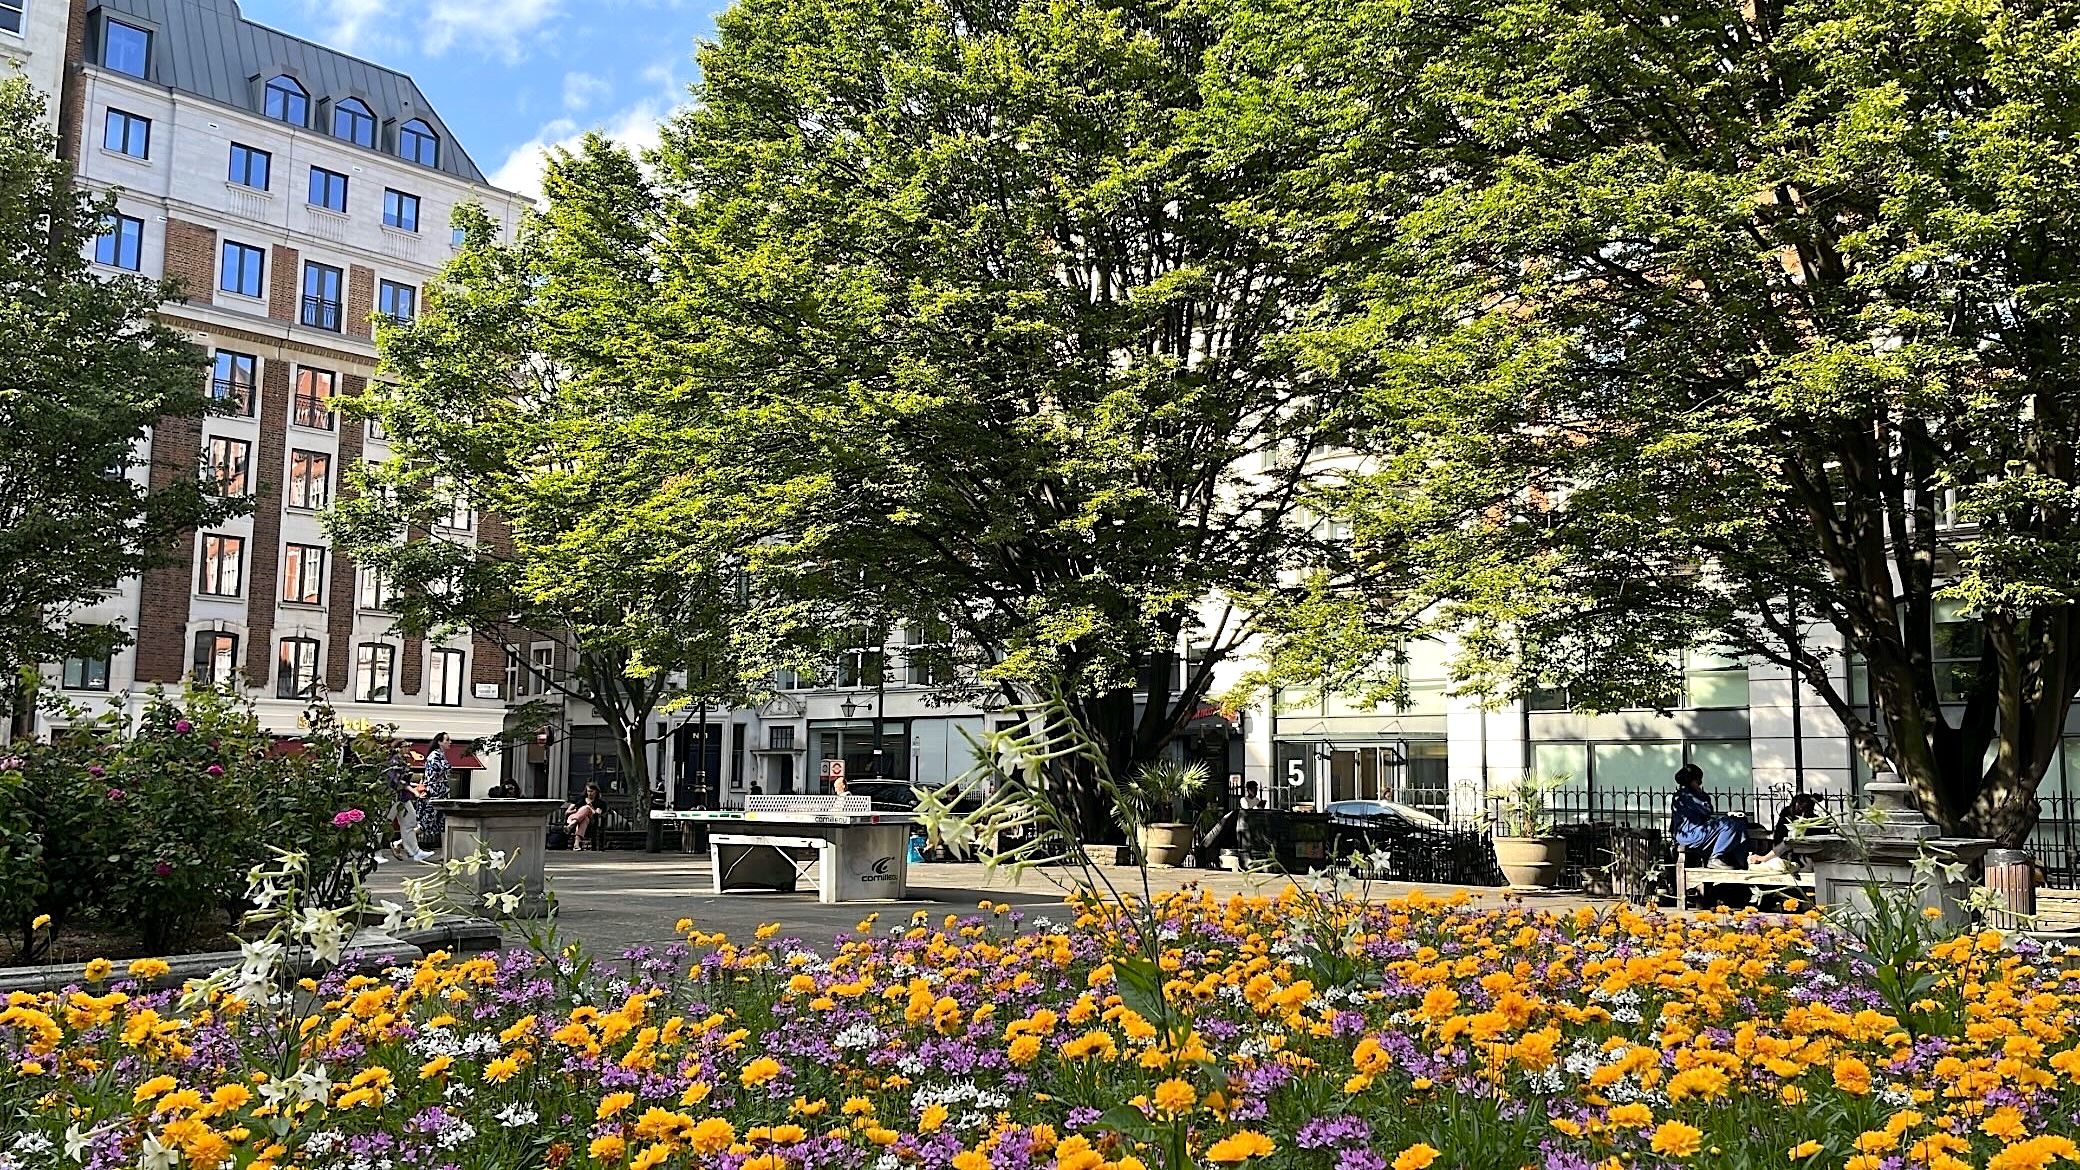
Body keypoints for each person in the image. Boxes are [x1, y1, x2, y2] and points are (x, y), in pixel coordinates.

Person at [1670, 763, 1748, 870]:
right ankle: (1716, 857)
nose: (1700, 783)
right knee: (1729, 824)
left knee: (1739, 823)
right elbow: (1707, 810)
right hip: (1690, 835)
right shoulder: (1685, 795)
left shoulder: (1685, 795)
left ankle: (1739, 861)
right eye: (1698, 780)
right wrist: (1701, 794)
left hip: (1698, 832)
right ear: (1692, 779)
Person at [383, 742, 434, 863]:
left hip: (403, 797)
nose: (408, 749)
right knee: (383, 824)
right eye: (405, 746)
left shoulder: (403, 761)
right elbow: (398, 782)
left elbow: (405, 781)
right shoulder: (393, 762)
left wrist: (416, 787)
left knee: (410, 822)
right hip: (392, 797)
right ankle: (372, 853)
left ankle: (415, 852)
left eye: (408, 746)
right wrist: (414, 791)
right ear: (398, 748)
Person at [1752, 793, 1824, 873]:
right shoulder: (1816, 822)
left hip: (1805, 863)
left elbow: (1786, 844)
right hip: (1805, 860)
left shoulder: (1806, 827)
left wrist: (1764, 858)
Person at [413, 733, 454, 856]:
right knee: (425, 824)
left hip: (440, 795)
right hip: (434, 795)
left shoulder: (440, 755)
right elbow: (432, 777)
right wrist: (429, 791)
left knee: (443, 823)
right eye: (447, 740)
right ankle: (399, 842)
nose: (450, 742)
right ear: (439, 742)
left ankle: (445, 854)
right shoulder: (435, 756)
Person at [566, 783, 604, 850]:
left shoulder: (599, 802)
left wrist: (590, 808)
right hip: (574, 818)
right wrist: (577, 811)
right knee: (584, 819)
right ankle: (576, 844)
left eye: (592, 791)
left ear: (596, 792)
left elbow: (597, 813)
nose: (590, 793)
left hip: (591, 821)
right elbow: (567, 811)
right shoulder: (580, 799)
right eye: (588, 791)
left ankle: (571, 826)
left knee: (586, 809)